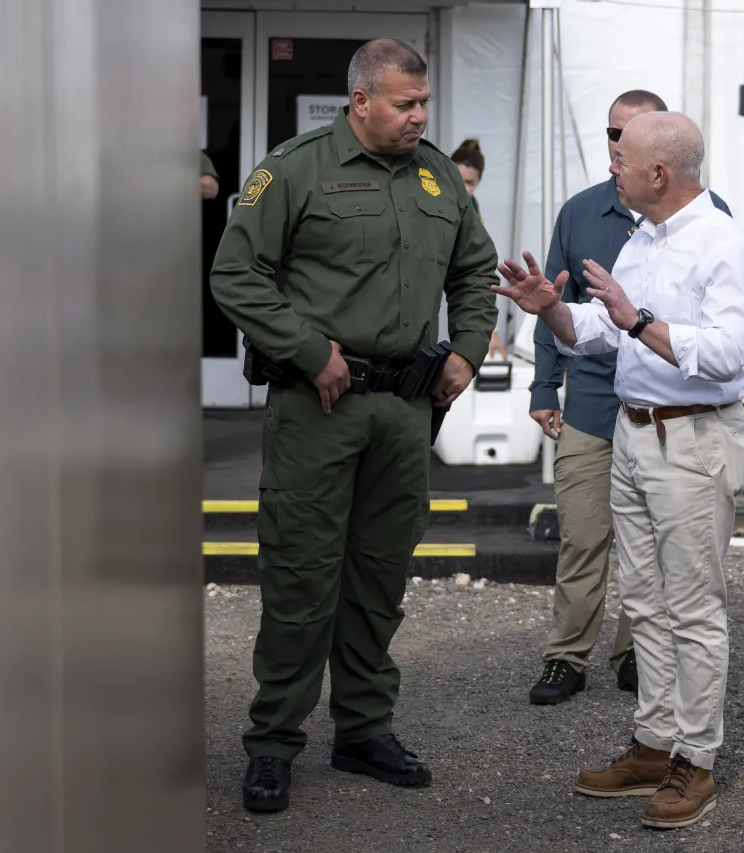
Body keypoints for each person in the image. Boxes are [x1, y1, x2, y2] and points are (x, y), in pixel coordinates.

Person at [209, 38, 499, 815]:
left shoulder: (438, 173)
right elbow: (235, 273)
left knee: (378, 577)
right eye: (405, 104)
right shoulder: (296, 168)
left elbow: (475, 270)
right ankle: (273, 741)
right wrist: (308, 350)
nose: (418, 117)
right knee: (303, 575)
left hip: (405, 412)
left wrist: (468, 350)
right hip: (320, 406)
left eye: (424, 103)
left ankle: (364, 728)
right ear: (361, 101)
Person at [492, 110, 744, 830]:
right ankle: (653, 742)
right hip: (634, 431)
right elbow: (597, 330)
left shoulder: (722, 242)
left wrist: (637, 318)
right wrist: (552, 313)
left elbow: (727, 355)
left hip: (693, 438)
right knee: (642, 598)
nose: (612, 163)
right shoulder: (642, 236)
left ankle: (695, 759)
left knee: (694, 608)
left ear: (660, 174)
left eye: (624, 156)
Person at [526, 90, 731, 706]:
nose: (617, 146)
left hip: (667, 414)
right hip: (593, 403)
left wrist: (635, 323)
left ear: (659, 153)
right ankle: (567, 656)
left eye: (631, 136)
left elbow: (723, 345)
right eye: (613, 132)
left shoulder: (704, 222)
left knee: (654, 552)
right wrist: (543, 385)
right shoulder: (581, 212)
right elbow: (554, 303)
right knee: (584, 537)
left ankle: (638, 654)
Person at [451, 137, 508, 360]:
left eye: (469, 183)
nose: (461, 188)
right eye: (457, 179)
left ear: (479, 182)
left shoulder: (471, 208)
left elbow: (477, 269)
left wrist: (489, 332)